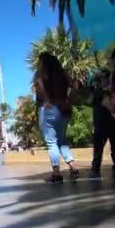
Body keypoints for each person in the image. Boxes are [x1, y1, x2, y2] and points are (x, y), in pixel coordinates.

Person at [34, 52, 78, 183]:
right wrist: (68, 99)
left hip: (49, 108)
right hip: (64, 108)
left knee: (51, 141)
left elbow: (39, 86)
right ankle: (73, 166)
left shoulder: (41, 73)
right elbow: (75, 85)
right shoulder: (62, 73)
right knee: (62, 140)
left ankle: (56, 173)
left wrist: (47, 99)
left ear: (43, 62)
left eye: (39, 61)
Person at [89, 68, 115, 178]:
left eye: (105, 77)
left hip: (111, 122)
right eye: (101, 78)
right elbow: (91, 104)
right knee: (98, 147)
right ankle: (95, 167)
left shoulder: (113, 91)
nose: (103, 80)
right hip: (100, 123)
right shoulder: (97, 92)